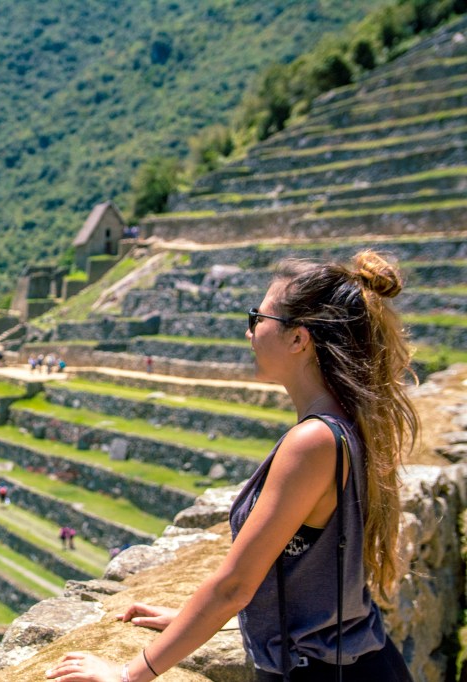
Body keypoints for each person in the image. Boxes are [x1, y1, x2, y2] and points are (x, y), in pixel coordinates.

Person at [47, 250, 418, 682]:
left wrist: (127, 675)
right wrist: (190, 618)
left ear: (299, 339)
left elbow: (234, 586)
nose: (248, 332)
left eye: (257, 318)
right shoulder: (350, 421)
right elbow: (298, 571)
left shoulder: (314, 442)